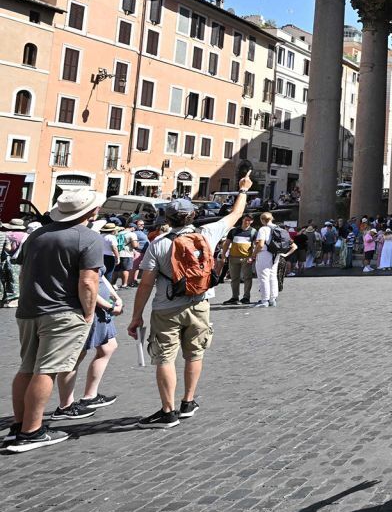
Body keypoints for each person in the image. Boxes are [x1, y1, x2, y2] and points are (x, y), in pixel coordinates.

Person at [128, 174, 251, 429]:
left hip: (166, 308)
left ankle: (167, 410)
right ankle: (188, 401)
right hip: (200, 304)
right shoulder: (207, 234)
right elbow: (236, 214)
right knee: (194, 354)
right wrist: (243, 190)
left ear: (167, 219)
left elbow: (146, 284)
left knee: (164, 358)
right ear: (193, 216)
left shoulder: (158, 244)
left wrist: (136, 315)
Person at [5, 189, 105, 452]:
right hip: (63, 311)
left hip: (29, 310)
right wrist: (88, 312)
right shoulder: (89, 238)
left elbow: (23, 272)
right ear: (91, 211)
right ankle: (31, 431)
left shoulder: (37, 234)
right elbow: (88, 281)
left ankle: (19, 424)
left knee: (27, 367)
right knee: (46, 370)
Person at [54, 267, 124, 417]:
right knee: (76, 354)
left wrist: (115, 296)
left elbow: (100, 275)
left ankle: (90, 397)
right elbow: (86, 284)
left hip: (99, 308)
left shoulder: (93, 245)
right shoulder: (83, 246)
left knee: (108, 347)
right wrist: (109, 305)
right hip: (87, 307)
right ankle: (65, 406)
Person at [250, 212, 292, 308]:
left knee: (264, 276)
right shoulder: (278, 228)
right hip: (275, 253)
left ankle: (264, 300)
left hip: (264, 254)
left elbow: (260, 245)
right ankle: (272, 299)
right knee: (272, 276)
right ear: (272, 218)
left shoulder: (263, 229)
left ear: (262, 220)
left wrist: (253, 254)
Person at [220, 214, 256, 306]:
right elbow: (227, 244)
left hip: (246, 258)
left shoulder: (253, 232)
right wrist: (223, 255)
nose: (247, 221)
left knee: (247, 278)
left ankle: (246, 297)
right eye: (246, 219)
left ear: (252, 221)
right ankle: (235, 297)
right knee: (234, 278)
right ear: (242, 220)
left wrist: (252, 257)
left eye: (249, 220)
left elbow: (255, 245)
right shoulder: (233, 231)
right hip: (233, 258)